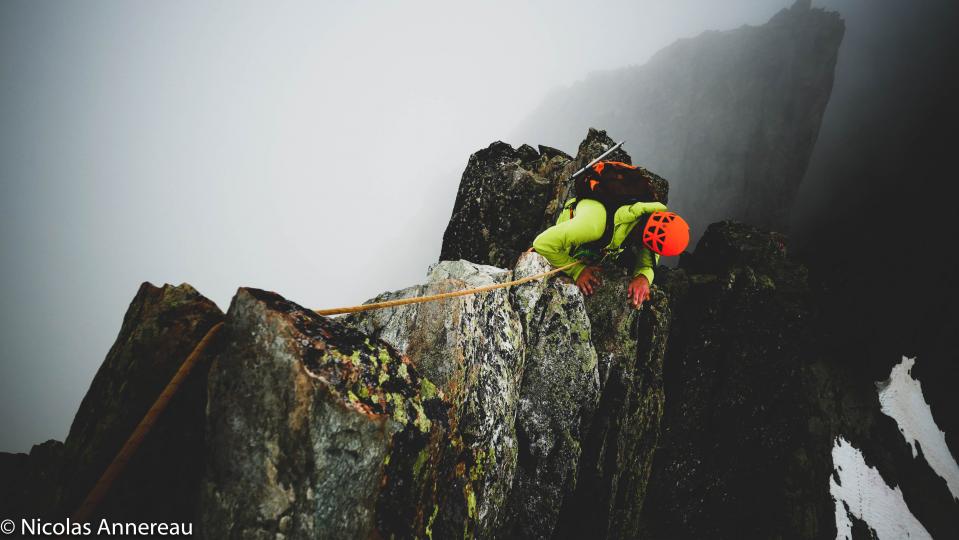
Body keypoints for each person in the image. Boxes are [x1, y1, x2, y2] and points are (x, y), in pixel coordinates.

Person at [532, 196, 689, 308]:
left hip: (600, 239)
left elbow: (648, 262)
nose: (647, 251)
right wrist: (577, 271)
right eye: (646, 246)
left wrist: (643, 278)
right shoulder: (593, 227)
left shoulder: (649, 223)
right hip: (579, 227)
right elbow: (542, 244)